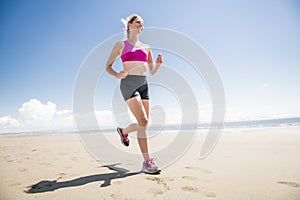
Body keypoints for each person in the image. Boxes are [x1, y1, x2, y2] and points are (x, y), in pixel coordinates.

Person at [105, 14, 163, 174]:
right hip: (128, 83)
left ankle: (123, 131)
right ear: (130, 25)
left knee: (143, 124)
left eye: (142, 24)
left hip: (144, 84)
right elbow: (108, 66)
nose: (140, 25)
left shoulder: (147, 47)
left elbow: (151, 71)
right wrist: (117, 75)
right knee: (143, 120)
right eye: (138, 22)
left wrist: (157, 64)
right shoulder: (120, 45)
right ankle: (147, 162)